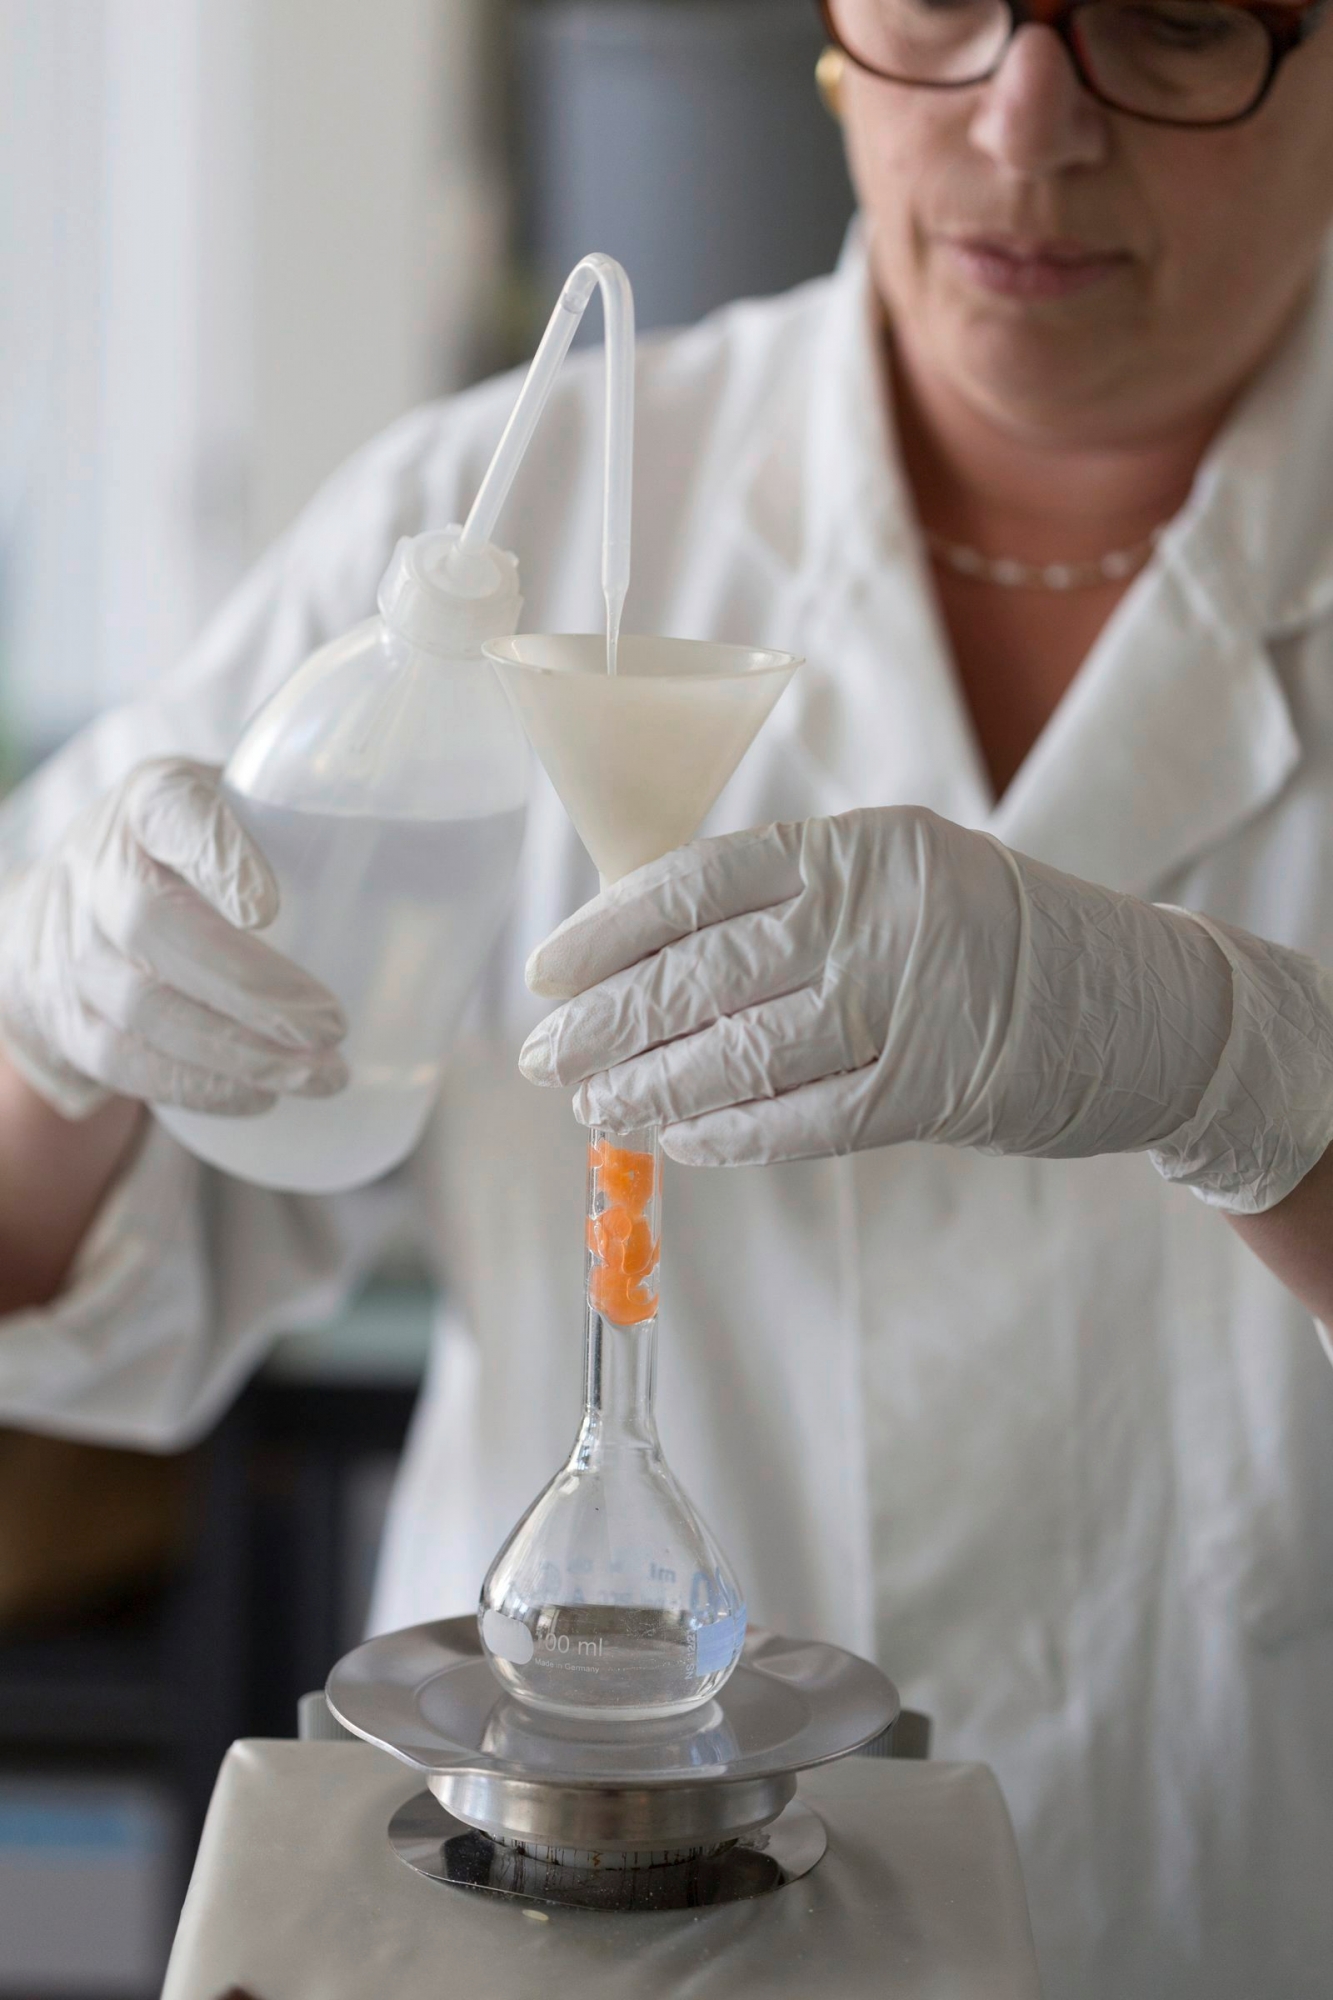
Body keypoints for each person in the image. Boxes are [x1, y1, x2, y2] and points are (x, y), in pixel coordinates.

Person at [3, 1, 1333, 1991]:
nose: (1022, 117)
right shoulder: (481, 527)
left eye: (1175, 12)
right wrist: (55, 1028)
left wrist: (1249, 1074)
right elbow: (43, 1268)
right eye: (941, 1)